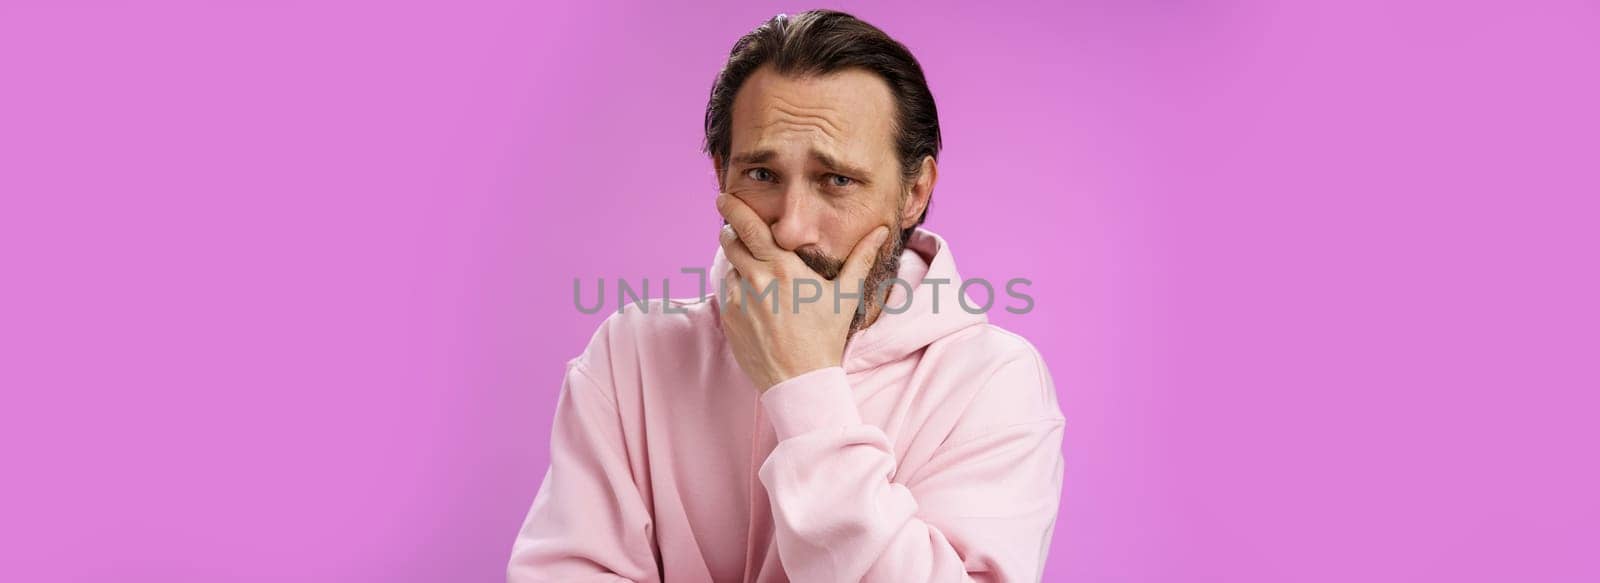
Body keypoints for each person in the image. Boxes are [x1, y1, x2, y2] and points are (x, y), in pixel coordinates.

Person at [508, 9, 1064, 582]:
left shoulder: (994, 382)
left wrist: (805, 387)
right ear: (722, 174)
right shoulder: (631, 358)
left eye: (837, 180)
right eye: (762, 175)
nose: (792, 228)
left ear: (913, 193)